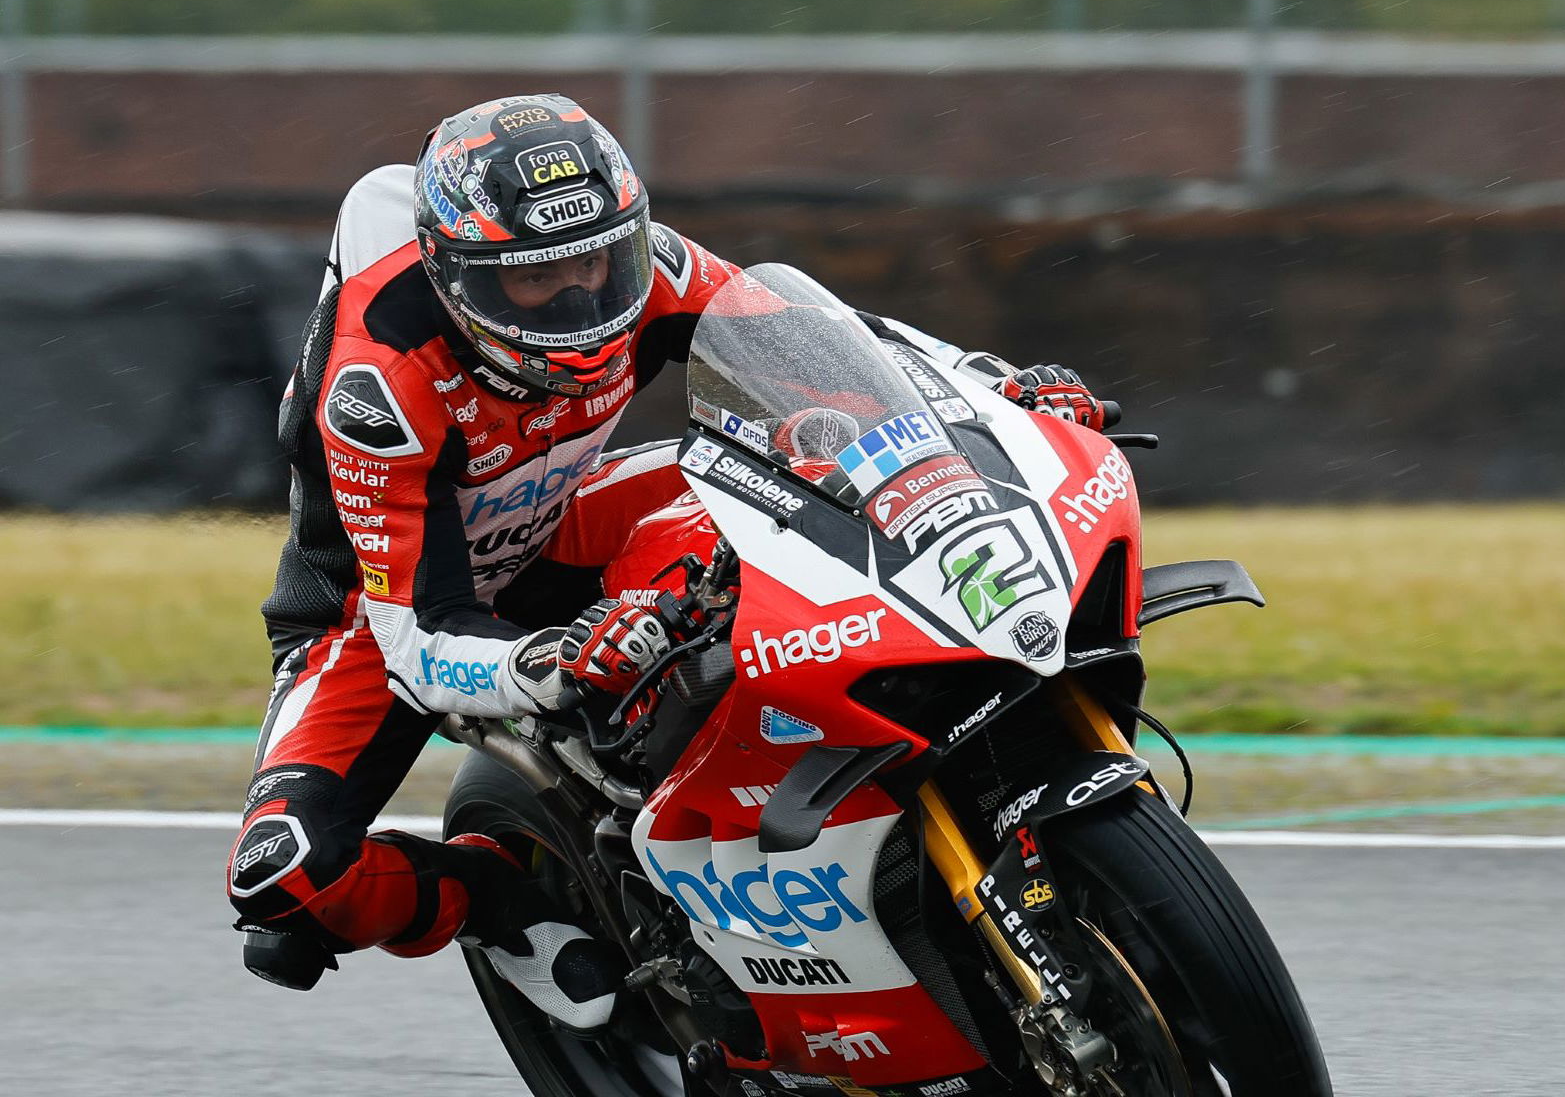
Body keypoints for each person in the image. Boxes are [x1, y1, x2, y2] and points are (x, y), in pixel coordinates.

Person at [228, 92, 1108, 1030]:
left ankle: (835, 731)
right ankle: (493, 898)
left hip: (564, 519)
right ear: (458, 279)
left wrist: (993, 390)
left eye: (595, 263)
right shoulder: (378, 383)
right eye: (538, 278)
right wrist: (549, 660)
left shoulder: (644, 263)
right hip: (380, 615)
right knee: (284, 878)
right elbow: (417, 639)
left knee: (799, 459)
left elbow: (822, 343)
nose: (582, 299)